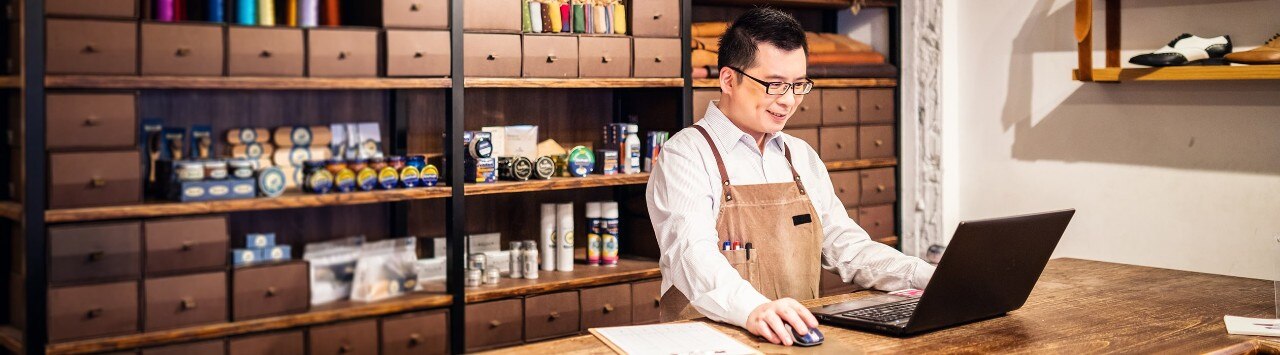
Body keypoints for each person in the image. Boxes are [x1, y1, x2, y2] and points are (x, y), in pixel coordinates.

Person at [646, 8, 935, 346]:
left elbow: (848, 249)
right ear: (728, 79)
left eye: (799, 85)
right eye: (774, 85)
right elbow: (691, 254)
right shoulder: (686, 154)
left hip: (794, 340)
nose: (788, 100)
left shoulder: (800, 156)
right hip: (710, 343)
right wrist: (755, 309)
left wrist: (927, 276)